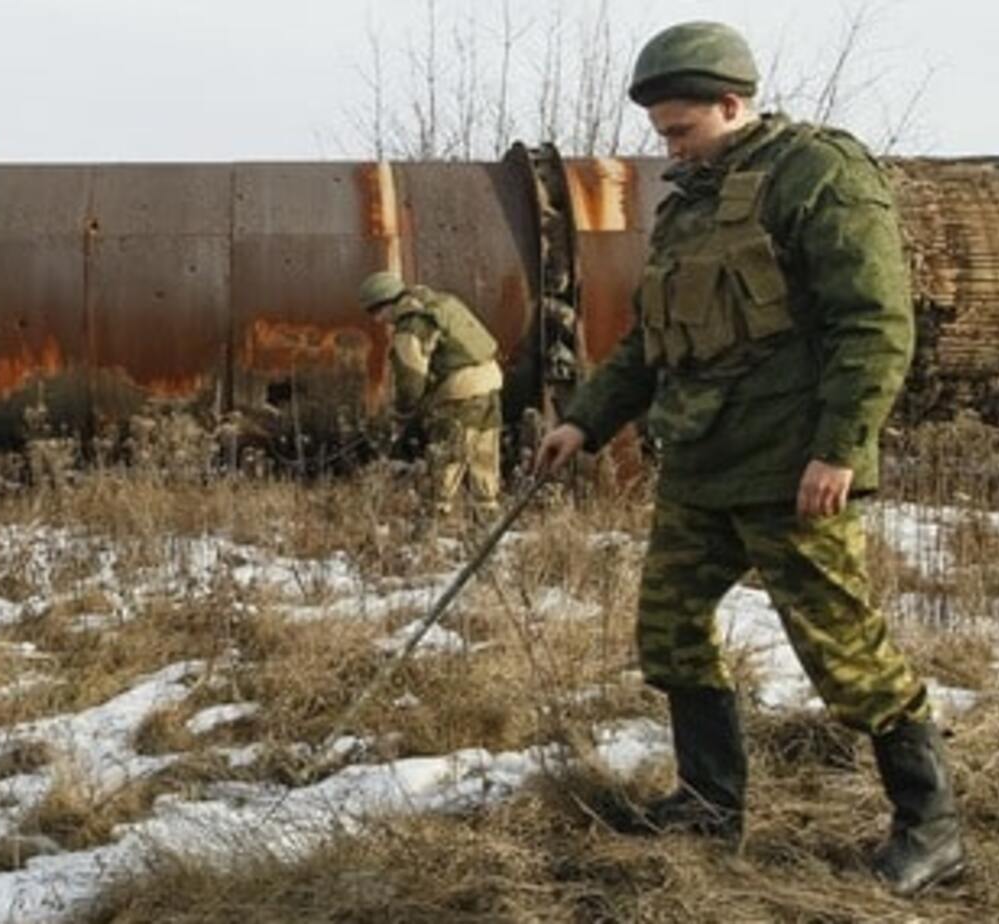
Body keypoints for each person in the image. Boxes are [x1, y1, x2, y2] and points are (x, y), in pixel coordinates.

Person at [531, 21, 965, 897]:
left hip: (791, 467)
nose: (669, 148)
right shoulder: (692, 201)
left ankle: (933, 828)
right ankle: (707, 804)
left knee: (843, 651)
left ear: (735, 104)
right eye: (661, 134)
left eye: (682, 130)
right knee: (670, 630)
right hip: (702, 458)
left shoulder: (821, 175)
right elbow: (656, 340)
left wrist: (839, 447)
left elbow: (875, 323)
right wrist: (584, 419)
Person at [358, 270, 504, 516]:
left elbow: (411, 378)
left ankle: (433, 525)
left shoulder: (411, 324)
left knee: (446, 461)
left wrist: (403, 413)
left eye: (375, 312)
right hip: (490, 384)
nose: (377, 320)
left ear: (385, 303)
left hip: (461, 393)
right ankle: (488, 523)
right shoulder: (441, 302)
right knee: (484, 461)